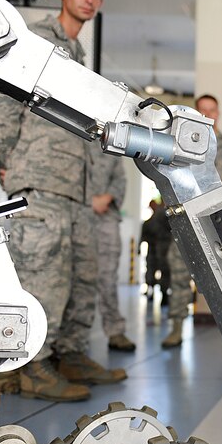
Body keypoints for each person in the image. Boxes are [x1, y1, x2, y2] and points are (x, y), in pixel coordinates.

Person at [0, 0, 125, 401]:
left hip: (75, 189)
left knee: (81, 276)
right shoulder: (37, 40)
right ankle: (31, 366)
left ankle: (70, 354)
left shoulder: (77, 54)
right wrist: (9, 160)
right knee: (43, 276)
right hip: (41, 181)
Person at [162, 94, 222, 347]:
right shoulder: (179, 145)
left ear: (218, 113)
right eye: (202, 110)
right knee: (179, 272)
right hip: (186, 218)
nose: (207, 115)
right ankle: (176, 327)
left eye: (212, 110)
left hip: (219, 222)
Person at [88, 147, 136, 352]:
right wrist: (87, 201)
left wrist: (105, 199)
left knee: (108, 278)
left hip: (106, 216)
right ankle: (70, 337)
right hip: (75, 214)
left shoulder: (109, 145)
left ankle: (115, 330)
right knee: (74, 277)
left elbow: (120, 179)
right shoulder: (71, 137)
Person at [141, 198, 171, 301]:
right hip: (154, 249)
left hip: (163, 248)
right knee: (151, 270)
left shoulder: (161, 215)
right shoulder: (151, 220)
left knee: (164, 270)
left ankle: (164, 294)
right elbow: (144, 235)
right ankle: (152, 290)